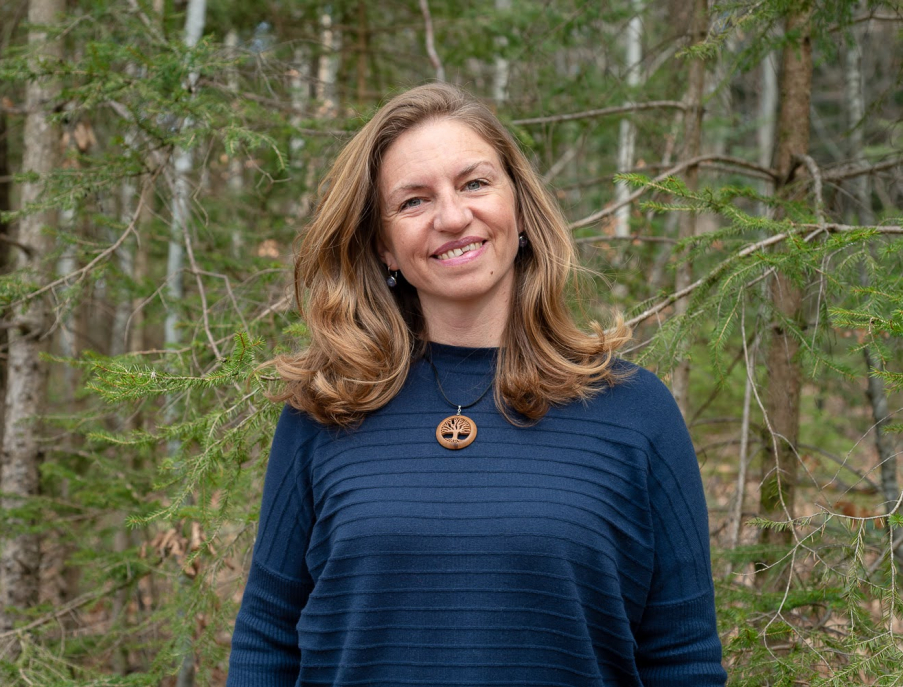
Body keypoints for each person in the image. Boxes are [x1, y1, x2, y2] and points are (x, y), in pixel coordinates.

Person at [227, 83, 725, 686]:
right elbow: (268, 637)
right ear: (384, 245)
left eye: (475, 184)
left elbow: (683, 658)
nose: (452, 217)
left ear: (520, 209)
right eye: (413, 201)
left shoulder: (633, 410)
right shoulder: (328, 407)